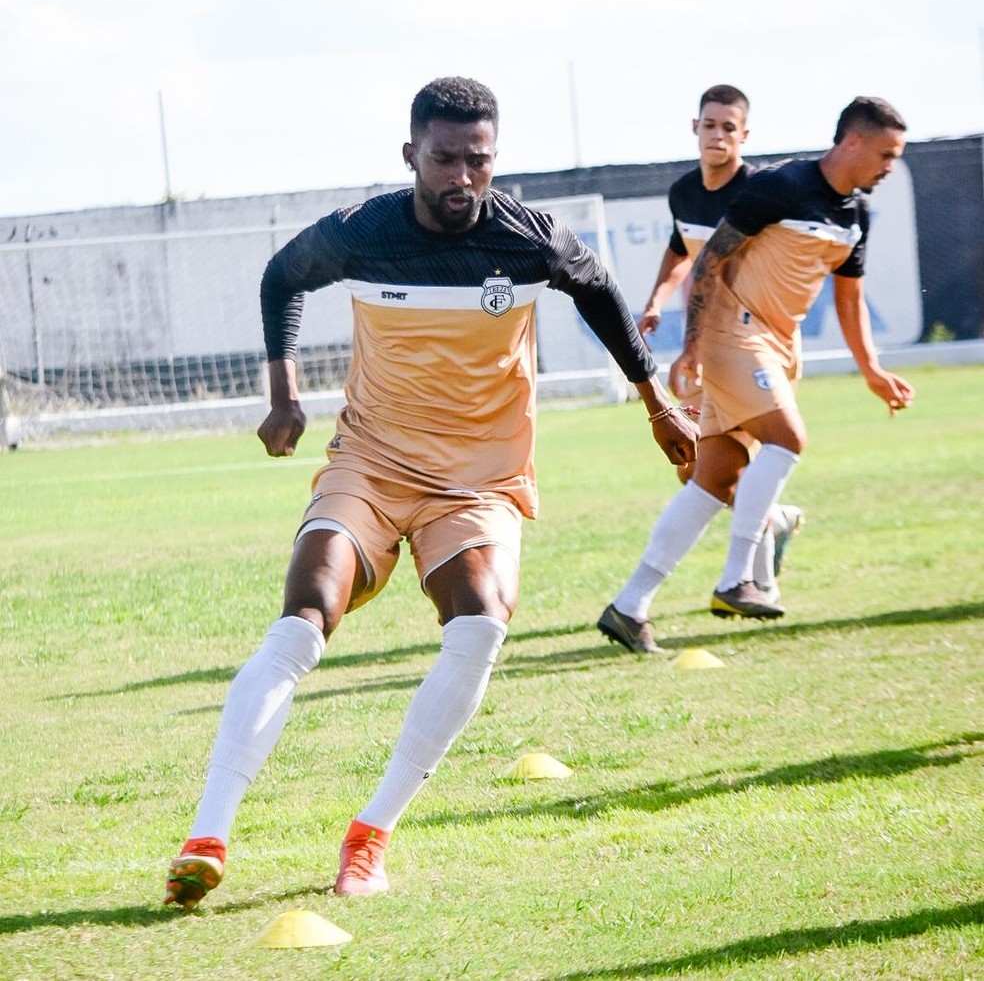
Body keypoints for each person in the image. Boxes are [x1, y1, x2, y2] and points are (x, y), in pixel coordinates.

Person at [163, 76, 699, 908]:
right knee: (303, 622)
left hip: (477, 480)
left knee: (482, 620)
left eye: (476, 161)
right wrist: (284, 392)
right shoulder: (363, 232)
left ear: (494, 158)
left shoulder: (529, 240)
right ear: (410, 152)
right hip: (370, 465)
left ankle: (371, 833)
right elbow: (281, 278)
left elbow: (598, 293)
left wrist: (654, 398)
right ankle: (208, 834)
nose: (460, 177)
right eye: (443, 158)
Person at [600, 95, 915, 640]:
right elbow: (710, 259)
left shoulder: (855, 213)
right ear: (853, 141)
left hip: (777, 344)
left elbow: (849, 300)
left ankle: (630, 607)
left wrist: (872, 371)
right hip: (733, 334)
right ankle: (738, 581)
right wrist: (694, 345)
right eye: (886, 154)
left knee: (712, 477)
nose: (890, 167)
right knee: (788, 437)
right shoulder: (780, 186)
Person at [599, 85, 803, 655]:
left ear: (745, 135)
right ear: (695, 127)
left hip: (754, 340)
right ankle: (750, 564)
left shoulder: (759, 192)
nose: (718, 135)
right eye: (709, 125)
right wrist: (659, 299)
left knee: (718, 471)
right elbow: (680, 252)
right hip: (725, 345)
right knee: (713, 469)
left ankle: (646, 601)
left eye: (728, 127)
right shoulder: (685, 193)